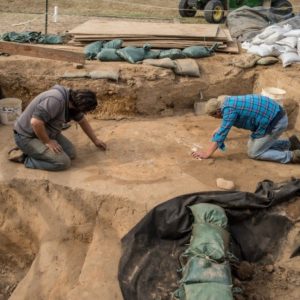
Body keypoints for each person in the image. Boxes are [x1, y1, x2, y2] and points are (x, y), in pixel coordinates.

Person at [9, 85, 106, 171]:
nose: (83, 113)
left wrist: (95, 140)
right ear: (78, 106)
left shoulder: (73, 100)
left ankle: (34, 150)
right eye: (83, 111)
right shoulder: (55, 100)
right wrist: (47, 142)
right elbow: (35, 122)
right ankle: (25, 158)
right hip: (26, 136)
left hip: (46, 132)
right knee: (63, 162)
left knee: (71, 154)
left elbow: (82, 121)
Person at [192, 94, 300, 164]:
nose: (216, 119)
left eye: (214, 116)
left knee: (254, 153)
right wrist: (221, 127)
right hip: (273, 112)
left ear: (218, 111)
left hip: (276, 122)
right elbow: (231, 117)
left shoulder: (229, 111)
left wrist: (207, 153)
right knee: (251, 145)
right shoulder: (227, 101)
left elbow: (221, 135)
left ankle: (292, 156)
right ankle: (290, 144)